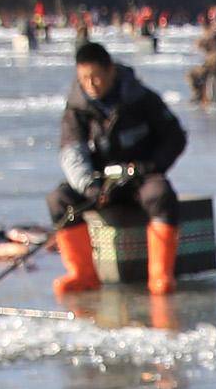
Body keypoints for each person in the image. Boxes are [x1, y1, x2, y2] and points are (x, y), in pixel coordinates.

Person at [46, 39, 188, 296]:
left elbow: (175, 137)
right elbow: (71, 152)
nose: (91, 84)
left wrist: (152, 165)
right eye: (84, 78)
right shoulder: (76, 109)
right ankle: (83, 274)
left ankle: (160, 276)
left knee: (161, 195)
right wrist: (89, 186)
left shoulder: (142, 98)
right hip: (99, 184)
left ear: (110, 70)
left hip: (139, 179)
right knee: (59, 199)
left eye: (96, 77)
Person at [188, 14, 216, 100]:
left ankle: (198, 94)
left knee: (192, 74)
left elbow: (199, 44)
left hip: (214, 69)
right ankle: (202, 93)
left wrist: (207, 33)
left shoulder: (214, 37)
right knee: (199, 73)